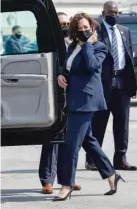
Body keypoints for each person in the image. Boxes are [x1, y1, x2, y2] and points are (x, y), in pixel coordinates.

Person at [52, 12, 124, 202]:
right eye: (80, 28)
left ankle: (66, 185)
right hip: (73, 98)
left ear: (92, 28)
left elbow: (93, 67)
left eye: (86, 28)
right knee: (88, 141)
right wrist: (62, 77)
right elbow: (69, 69)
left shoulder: (99, 47)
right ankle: (111, 174)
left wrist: (88, 45)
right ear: (75, 31)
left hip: (86, 100)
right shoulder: (73, 47)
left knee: (71, 144)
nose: (83, 31)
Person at [85, 1, 137, 171]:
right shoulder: (96, 32)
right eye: (110, 12)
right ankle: (93, 159)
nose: (113, 15)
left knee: (122, 123)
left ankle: (120, 159)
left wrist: (132, 86)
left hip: (122, 82)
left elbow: (128, 58)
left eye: (116, 12)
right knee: (99, 122)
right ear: (103, 13)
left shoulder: (125, 31)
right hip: (102, 84)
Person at [39, 12, 81, 194]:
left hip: (71, 96)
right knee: (52, 138)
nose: (64, 26)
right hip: (53, 96)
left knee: (69, 140)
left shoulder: (74, 45)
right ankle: (47, 180)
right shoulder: (50, 43)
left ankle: (67, 178)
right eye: (61, 23)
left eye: (66, 23)